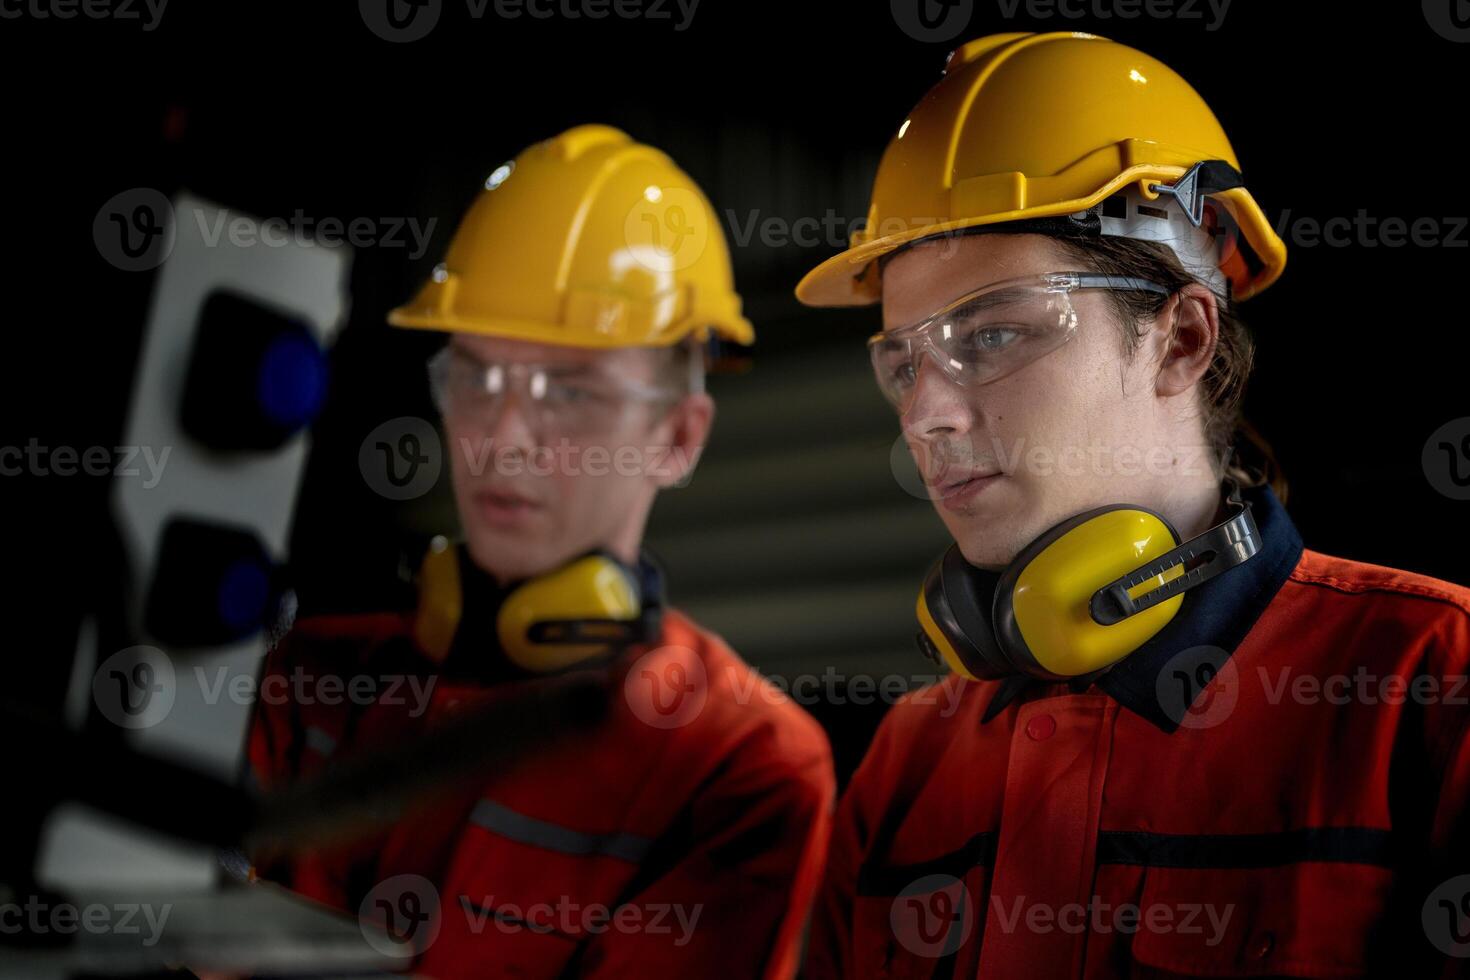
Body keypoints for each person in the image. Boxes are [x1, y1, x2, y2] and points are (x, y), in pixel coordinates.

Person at [795, 33, 1470, 978]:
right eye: (903, 362)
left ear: (1182, 340)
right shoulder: (908, 762)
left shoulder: (1424, 685)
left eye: (991, 334)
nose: (926, 414)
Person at [246, 124, 834, 979]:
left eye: (569, 390)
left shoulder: (734, 765)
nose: (502, 438)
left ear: (677, 435)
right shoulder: (308, 680)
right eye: (478, 376)